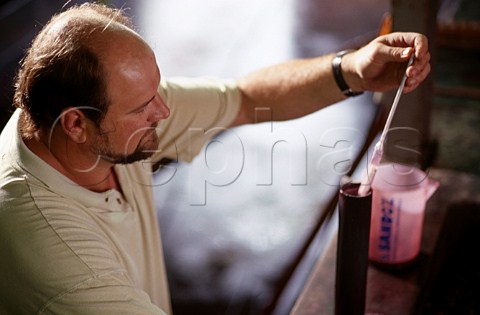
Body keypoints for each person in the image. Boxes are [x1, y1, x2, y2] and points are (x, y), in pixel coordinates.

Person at [0, 2, 430, 315]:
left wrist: (352, 69)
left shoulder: (66, 114)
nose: (164, 112)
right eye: (143, 107)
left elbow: (243, 98)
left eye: (157, 93)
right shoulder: (61, 261)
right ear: (76, 124)